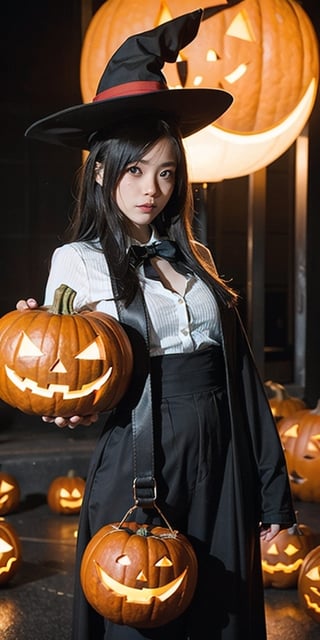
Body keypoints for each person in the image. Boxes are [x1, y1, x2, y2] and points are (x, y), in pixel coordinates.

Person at [20, 9, 296, 640]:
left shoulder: (195, 259)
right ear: (101, 171)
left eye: (167, 171)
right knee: (140, 611)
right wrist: (55, 385)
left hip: (221, 457)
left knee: (218, 613)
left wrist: (272, 490)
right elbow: (72, 367)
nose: (153, 188)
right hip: (142, 455)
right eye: (136, 170)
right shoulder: (77, 261)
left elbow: (242, 378)